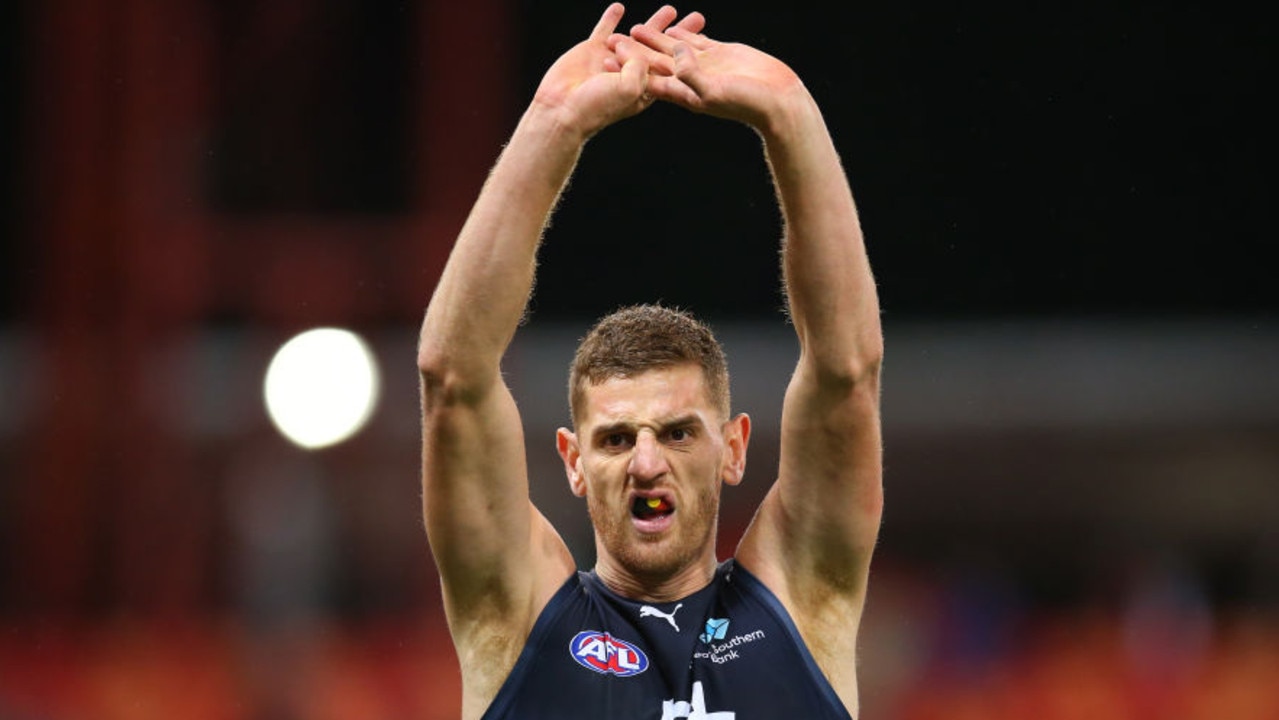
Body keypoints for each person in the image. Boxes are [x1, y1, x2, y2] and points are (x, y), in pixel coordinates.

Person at [417, 4, 883, 718]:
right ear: (571, 461)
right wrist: (551, 123)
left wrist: (790, 114)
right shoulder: (515, 618)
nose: (644, 463)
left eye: (676, 432)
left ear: (733, 448)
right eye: (614, 438)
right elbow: (452, 379)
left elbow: (846, 373)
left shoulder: (801, 600)